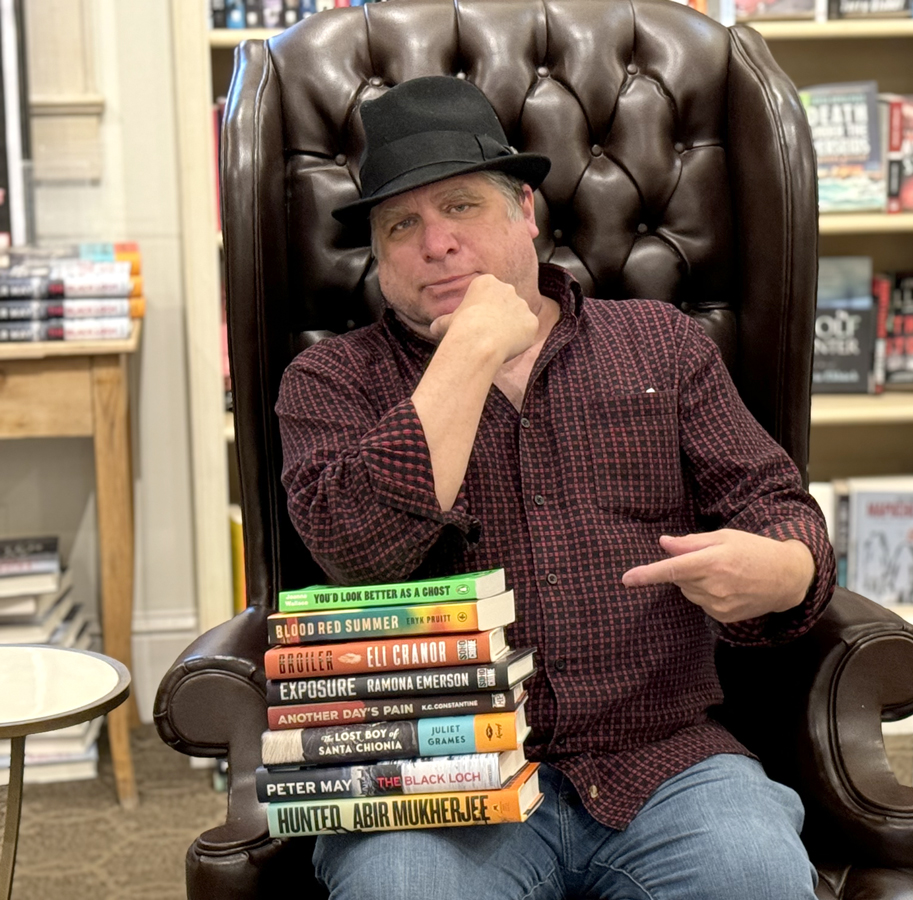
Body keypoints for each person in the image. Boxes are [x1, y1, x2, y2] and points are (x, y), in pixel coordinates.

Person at [276, 75, 836, 900]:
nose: (435, 244)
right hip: (432, 783)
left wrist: (785, 570)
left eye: (461, 207)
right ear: (378, 253)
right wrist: (467, 354)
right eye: (403, 225)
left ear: (525, 213)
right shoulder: (329, 380)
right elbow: (356, 552)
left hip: (663, 760)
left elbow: (777, 508)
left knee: (754, 875)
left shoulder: (662, 346)